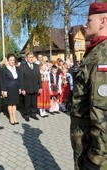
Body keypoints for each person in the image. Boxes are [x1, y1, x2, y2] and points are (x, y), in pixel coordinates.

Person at [70, 2, 107, 170]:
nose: (85, 25)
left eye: (89, 19)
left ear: (103, 21)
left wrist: (96, 157)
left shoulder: (102, 56)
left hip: (91, 148)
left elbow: (103, 112)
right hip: (85, 141)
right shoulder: (95, 51)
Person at [20, 52, 42, 121]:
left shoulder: (36, 66)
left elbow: (39, 77)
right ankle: (26, 115)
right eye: (29, 57)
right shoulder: (23, 67)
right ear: (26, 58)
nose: (31, 59)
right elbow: (21, 79)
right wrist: (22, 89)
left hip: (35, 87)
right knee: (27, 103)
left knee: (34, 103)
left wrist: (40, 87)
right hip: (27, 88)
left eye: (32, 57)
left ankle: (33, 114)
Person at [0, 53, 21, 125]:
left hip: (15, 87)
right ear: (8, 61)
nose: (12, 61)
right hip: (8, 88)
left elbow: (19, 79)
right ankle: (11, 118)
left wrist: (20, 88)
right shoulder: (4, 69)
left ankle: (15, 117)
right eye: (10, 60)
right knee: (10, 104)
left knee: (14, 104)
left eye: (13, 60)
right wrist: (4, 90)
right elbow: (2, 80)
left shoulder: (17, 68)